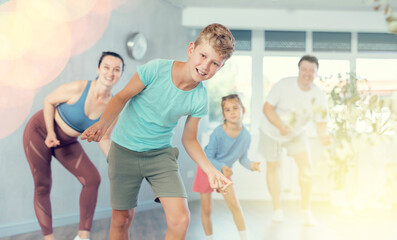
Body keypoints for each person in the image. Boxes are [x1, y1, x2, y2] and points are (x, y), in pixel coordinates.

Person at [81, 23, 235, 240]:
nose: (205, 66)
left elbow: (189, 140)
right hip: (124, 151)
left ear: (220, 68)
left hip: (160, 155)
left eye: (215, 64)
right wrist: (103, 124)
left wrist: (211, 171)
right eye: (203, 55)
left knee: (181, 220)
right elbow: (121, 97)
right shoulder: (156, 69)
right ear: (191, 49)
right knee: (121, 220)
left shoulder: (199, 98)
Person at [23, 51, 125, 240]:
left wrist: (116, 160)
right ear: (98, 69)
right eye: (107, 67)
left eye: (116, 69)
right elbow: (49, 101)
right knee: (43, 185)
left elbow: (104, 138)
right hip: (40, 131)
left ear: (120, 74)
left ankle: (82, 237)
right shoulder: (79, 88)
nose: (111, 73)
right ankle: (49, 238)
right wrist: (51, 134)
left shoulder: (112, 107)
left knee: (92, 179)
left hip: (67, 142)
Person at [259, 55, 330, 225]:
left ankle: (305, 210)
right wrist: (281, 126)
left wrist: (325, 140)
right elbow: (267, 109)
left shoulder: (318, 95)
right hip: (271, 131)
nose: (307, 73)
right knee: (273, 167)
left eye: (311, 70)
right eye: (304, 69)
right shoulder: (284, 85)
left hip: (296, 134)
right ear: (299, 69)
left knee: (307, 168)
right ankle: (277, 209)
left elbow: (321, 122)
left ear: (316, 73)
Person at [192, 94, 261, 240]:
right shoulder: (217, 133)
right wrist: (222, 166)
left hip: (224, 173)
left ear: (243, 110)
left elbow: (243, 158)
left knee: (235, 206)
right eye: (228, 110)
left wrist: (251, 165)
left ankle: (244, 237)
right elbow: (208, 157)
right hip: (206, 170)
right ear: (224, 114)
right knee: (207, 209)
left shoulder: (246, 136)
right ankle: (209, 237)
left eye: (235, 108)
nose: (232, 112)